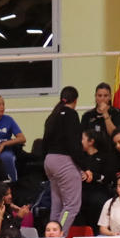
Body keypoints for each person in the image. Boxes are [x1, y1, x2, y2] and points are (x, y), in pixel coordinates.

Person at [42, 88, 83, 229]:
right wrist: (83, 166)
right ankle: (58, 236)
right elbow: (74, 144)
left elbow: (44, 142)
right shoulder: (71, 115)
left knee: (57, 205)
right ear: (75, 100)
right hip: (63, 162)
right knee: (71, 206)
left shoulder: (53, 115)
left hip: (49, 161)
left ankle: (50, 233)